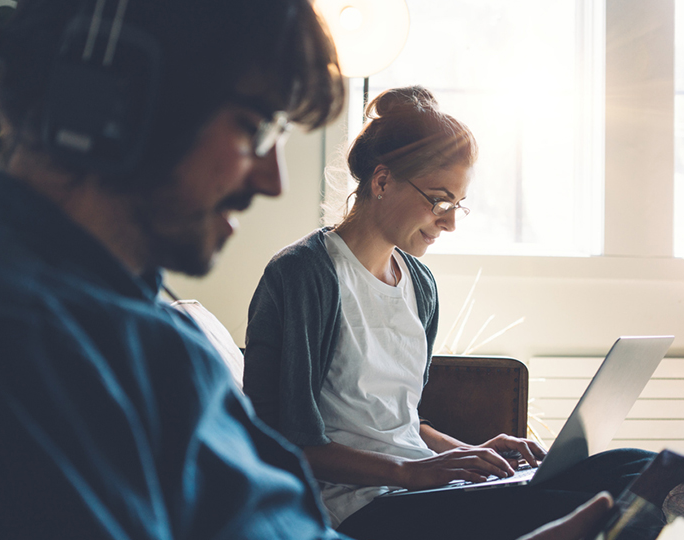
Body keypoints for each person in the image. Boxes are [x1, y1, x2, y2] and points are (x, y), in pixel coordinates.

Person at [0, 0, 615, 538]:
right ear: (108, 107)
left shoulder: (125, 320)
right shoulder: (12, 352)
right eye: (251, 128)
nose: (270, 180)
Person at [243, 86, 654, 540]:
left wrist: (473, 453)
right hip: (358, 507)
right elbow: (287, 441)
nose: (450, 222)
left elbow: (398, 420)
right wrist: (411, 473)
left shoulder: (419, 284)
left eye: (457, 204)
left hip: (420, 488)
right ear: (381, 182)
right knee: (601, 505)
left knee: (638, 468)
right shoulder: (304, 275)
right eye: (439, 201)